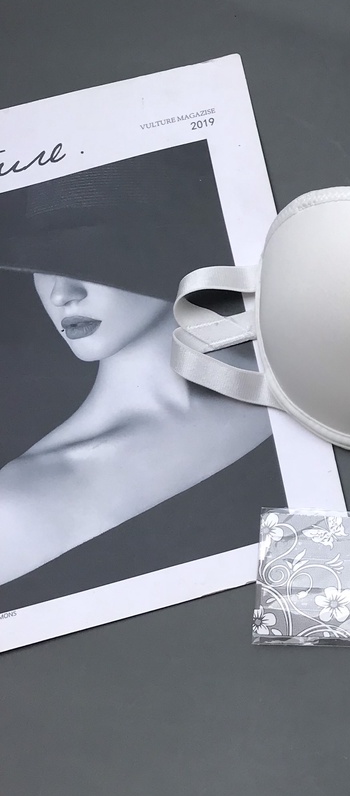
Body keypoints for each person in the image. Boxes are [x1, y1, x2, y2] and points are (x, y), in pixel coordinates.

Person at [0, 141, 276, 594]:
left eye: (87, 257)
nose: (62, 294)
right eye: (39, 265)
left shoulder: (292, 374)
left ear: (166, 247)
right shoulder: (17, 504)